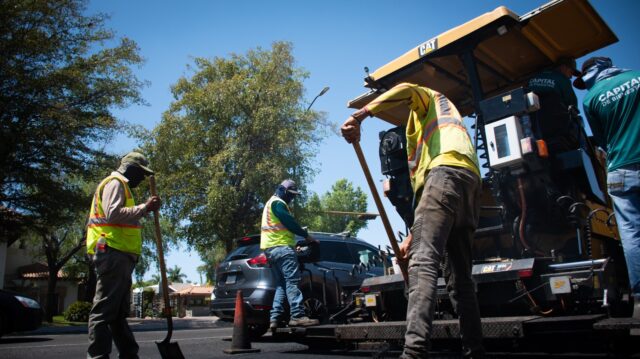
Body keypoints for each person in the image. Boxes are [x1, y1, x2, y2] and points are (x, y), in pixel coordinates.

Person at [342, 82, 484, 358]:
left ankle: (414, 351)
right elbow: (439, 203)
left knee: (423, 262)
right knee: (461, 280)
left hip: (444, 174)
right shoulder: (446, 122)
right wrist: (411, 236)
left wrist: (359, 115)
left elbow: (407, 87)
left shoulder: (430, 99)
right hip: (469, 184)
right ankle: (474, 349)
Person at [575, 56, 640, 319]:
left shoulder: (591, 99)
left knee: (632, 236)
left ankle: (639, 301)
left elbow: (601, 143)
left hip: (620, 170)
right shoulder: (636, 77)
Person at [86, 152, 161, 359]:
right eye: (141, 173)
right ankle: (98, 356)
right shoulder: (116, 183)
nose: (143, 178)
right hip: (112, 251)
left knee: (117, 313)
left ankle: (129, 354)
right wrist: (145, 207)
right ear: (131, 169)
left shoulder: (122, 186)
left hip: (120, 254)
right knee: (103, 310)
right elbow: (113, 213)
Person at [260, 179, 319, 330]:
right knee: (292, 281)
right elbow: (289, 222)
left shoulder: (269, 204)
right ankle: (297, 316)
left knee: (281, 284)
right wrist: (307, 236)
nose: (292, 198)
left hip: (271, 251)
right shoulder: (278, 203)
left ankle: (275, 318)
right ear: (282, 190)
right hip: (281, 248)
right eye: (290, 195)